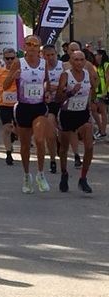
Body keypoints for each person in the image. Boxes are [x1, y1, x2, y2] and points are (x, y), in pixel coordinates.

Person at [3, 35, 50, 193]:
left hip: (39, 107)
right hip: (23, 107)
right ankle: (26, 175)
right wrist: (13, 77)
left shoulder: (44, 64)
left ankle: (41, 174)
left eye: (35, 45)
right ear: (25, 47)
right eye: (28, 44)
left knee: (39, 139)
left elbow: (47, 83)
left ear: (39, 48)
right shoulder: (18, 63)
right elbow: (5, 85)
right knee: (24, 145)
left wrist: (48, 92)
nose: (31, 47)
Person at [56, 50, 96, 193]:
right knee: (63, 148)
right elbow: (58, 98)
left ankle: (83, 178)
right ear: (71, 61)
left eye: (81, 59)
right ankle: (64, 173)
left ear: (85, 61)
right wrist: (71, 92)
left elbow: (92, 90)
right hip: (67, 114)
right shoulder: (66, 76)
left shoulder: (89, 75)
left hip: (83, 115)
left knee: (89, 147)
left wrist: (91, 103)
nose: (79, 62)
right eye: (76, 60)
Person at [0, 48, 19, 166]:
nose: (10, 61)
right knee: (6, 128)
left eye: (12, 58)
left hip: (19, 104)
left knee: (18, 129)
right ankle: (8, 153)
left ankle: (14, 134)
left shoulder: (20, 71)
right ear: (4, 59)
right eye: (7, 58)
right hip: (4, 104)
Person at [43, 44, 66, 173]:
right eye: (47, 55)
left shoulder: (63, 66)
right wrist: (46, 87)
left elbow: (69, 82)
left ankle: (63, 151)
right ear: (43, 56)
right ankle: (52, 160)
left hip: (62, 101)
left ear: (56, 54)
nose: (50, 58)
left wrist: (59, 87)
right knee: (50, 133)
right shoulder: (40, 67)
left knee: (63, 133)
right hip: (48, 103)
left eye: (52, 55)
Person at [92, 49, 108, 140]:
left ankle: (103, 131)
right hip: (98, 91)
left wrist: (105, 91)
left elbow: (107, 78)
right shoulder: (98, 66)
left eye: (97, 55)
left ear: (101, 55)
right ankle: (101, 130)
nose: (95, 56)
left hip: (104, 92)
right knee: (98, 110)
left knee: (103, 111)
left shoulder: (106, 65)